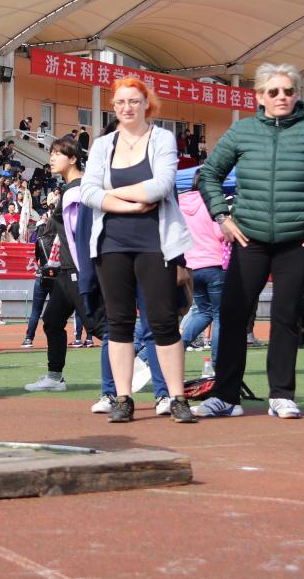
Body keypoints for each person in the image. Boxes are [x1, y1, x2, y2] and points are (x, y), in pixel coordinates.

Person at [195, 63, 304, 420]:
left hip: (298, 240)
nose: (282, 97)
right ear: (259, 96)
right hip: (249, 237)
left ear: (298, 94)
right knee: (234, 313)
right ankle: (225, 396)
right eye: (273, 91)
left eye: (288, 91)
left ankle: (281, 395)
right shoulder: (242, 131)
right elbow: (209, 175)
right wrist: (222, 217)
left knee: (286, 315)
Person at [80, 77, 197, 424]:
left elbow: (161, 186)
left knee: (163, 321)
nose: (127, 108)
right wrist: (130, 204)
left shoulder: (162, 138)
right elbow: (87, 191)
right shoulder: (103, 144)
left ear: (147, 103)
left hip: (156, 243)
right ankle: (123, 398)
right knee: (118, 322)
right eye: (120, 102)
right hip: (111, 243)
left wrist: (111, 193)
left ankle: (176, 397)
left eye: (133, 101)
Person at [24, 136, 100, 392]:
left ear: (74, 158)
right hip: (65, 271)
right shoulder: (69, 189)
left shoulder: (78, 190)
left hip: (78, 269)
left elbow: (82, 233)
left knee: (99, 326)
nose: (52, 158)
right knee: (52, 320)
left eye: (59, 153)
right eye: (52, 153)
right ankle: (55, 377)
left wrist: (88, 269)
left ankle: (142, 359)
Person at [178, 169, 226, 362]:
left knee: (203, 312)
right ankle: (218, 362)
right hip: (214, 264)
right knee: (220, 315)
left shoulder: (181, 203)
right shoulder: (213, 202)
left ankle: (178, 347)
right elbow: (221, 233)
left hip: (192, 266)